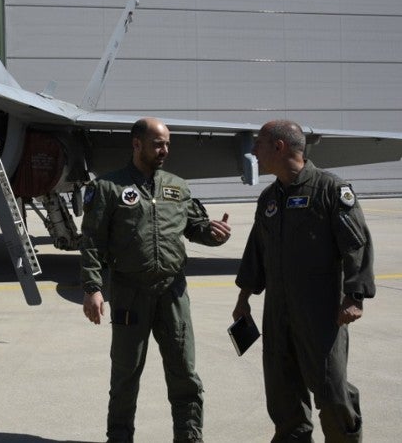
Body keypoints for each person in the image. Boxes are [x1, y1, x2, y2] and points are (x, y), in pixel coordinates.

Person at [80, 117, 232, 442]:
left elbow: (194, 227)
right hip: (129, 294)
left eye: (167, 144)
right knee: (125, 377)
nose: (164, 150)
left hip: (173, 294)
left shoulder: (177, 186)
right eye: (157, 144)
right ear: (137, 144)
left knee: (185, 376)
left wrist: (213, 233)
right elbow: (92, 240)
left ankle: (189, 438)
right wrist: (93, 288)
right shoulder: (108, 188)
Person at [232, 120, 374, 442]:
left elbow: (356, 244)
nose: (254, 151)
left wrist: (354, 296)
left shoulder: (330, 190)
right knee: (283, 399)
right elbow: (257, 250)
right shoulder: (269, 197)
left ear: (279, 147)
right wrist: (244, 299)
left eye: (259, 144)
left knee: (333, 393)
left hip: (321, 315)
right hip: (277, 314)